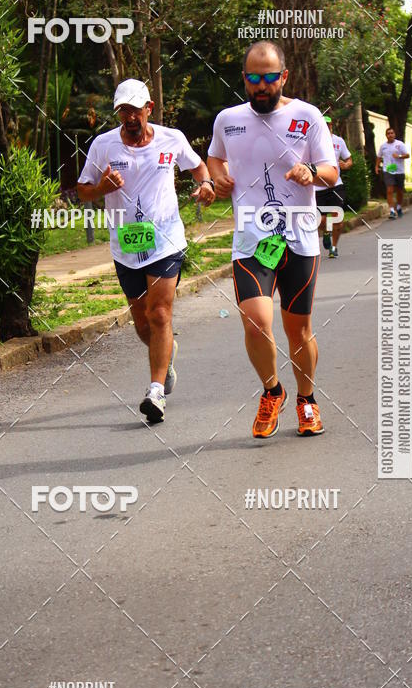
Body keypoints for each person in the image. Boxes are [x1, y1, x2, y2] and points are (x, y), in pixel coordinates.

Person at [207, 41, 338, 439]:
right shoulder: (228, 119)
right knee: (255, 321)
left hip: (298, 238)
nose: (260, 86)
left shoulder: (307, 116)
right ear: (244, 79)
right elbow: (215, 156)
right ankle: (272, 391)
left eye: (268, 78)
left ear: (283, 76)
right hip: (251, 238)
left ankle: (306, 399)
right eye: (252, 78)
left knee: (298, 331)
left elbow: (331, 172)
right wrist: (218, 176)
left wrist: (310, 171)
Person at [77, 78, 215, 423]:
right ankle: (165, 354)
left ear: (149, 109)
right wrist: (101, 188)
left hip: (166, 239)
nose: (130, 118)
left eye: (135, 111)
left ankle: (155, 393)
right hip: (126, 245)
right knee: (141, 322)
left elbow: (197, 166)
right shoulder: (103, 146)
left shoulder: (172, 139)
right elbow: (82, 190)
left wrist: (206, 183)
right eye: (123, 112)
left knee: (160, 314)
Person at [315, 116, 352, 258]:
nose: (326, 126)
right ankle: (326, 231)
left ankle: (334, 247)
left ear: (331, 125)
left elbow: (349, 159)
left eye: (328, 124)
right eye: (323, 124)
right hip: (318, 187)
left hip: (336, 184)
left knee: (338, 217)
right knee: (321, 220)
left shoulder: (338, 141)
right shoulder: (312, 141)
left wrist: (347, 164)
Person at [375, 127, 410, 219]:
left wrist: (398, 156)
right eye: (388, 133)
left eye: (392, 133)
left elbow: (407, 155)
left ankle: (398, 207)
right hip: (388, 170)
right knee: (389, 190)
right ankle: (391, 211)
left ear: (394, 134)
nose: (390, 135)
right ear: (386, 135)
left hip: (399, 170)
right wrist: (376, 166)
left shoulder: (400, 144)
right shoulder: (383, 146)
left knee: (399, 191)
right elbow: (379, 157)